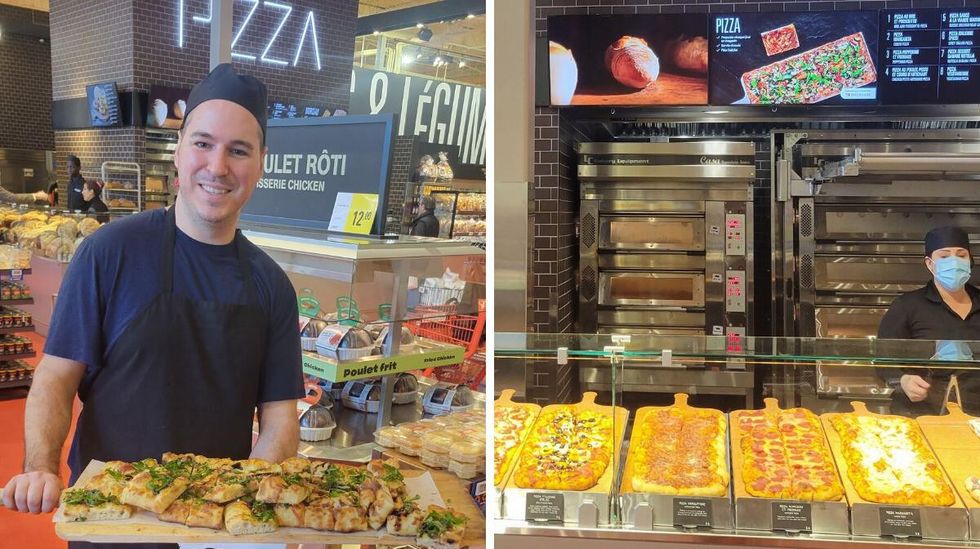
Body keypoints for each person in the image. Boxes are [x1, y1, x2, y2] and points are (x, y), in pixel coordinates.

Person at [1, 64, 304, 549]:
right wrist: (39, 468)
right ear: (180, 150)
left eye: (239, 150)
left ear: (261, 162)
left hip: (211, 532)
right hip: (108, 519)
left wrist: (243, 498)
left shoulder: (272, 287)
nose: (218, 165)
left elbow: (279, 419)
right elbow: (55, 378)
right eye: (203, 143)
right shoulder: (109, 253)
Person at [878, 225, 980, 416]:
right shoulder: (906, 305)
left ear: (970, 260)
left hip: (975, 415)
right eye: (944, 256)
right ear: (930, 263)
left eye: (961, 254)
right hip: (921, 413)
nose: (954, 261)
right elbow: (882, 359)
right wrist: (902, 380)